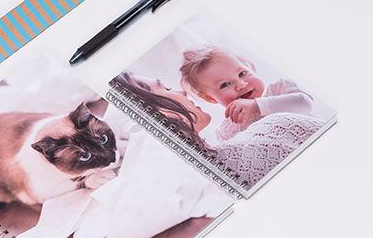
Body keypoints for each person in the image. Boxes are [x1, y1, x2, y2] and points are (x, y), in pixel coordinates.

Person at [114, 71, 322, 189]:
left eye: (243, 72)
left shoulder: (274, 123)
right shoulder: (276, 128)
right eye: (166, 89)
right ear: (156, 113)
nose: (182, 92)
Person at [178, 47, 315, 142]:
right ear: (210, 98)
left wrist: (256, 106)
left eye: (242, 73)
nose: (241, 84)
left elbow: (306, 103)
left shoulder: (279, 89)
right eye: (225, 84)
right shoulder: (227, 132)